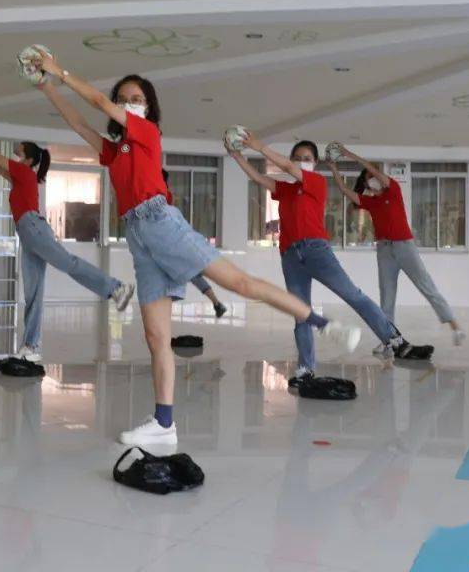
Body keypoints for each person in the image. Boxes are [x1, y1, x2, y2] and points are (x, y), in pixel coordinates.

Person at [30, 53, 358, 446]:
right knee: (156, 336)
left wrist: (61, 72)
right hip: (138, 237)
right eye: (123, 98)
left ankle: (324, 325)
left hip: (160, 222)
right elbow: (79, 123)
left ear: (147, 107)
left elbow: (98, 103)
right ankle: (164, 423)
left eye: (135, 98)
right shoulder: (116, 150)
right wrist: (47, 87)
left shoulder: (147, 132)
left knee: (240, 284)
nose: (127, 102)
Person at [225, 134, 433, 385]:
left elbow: (287, 167)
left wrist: (258, 147)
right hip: (290, 257)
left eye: (307, 158)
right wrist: (237, 155)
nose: (301, 161)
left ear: (314, 163)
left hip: (316, 250)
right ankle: (305, 369)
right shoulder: (286, 189)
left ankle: (394, 340)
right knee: (300, 313)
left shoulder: (316, 182)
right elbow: (258, 177)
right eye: (297, 157)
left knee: (352, 294)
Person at [0, 126, 135, 362]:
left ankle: (117, 288)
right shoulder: (20, 175)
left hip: (33, 228)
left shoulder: (24, 172)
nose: (15, 153)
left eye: (19, 151)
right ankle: (31, 346)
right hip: (28, 233)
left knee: (69, 263)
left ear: (28, 158)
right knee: (34, 292)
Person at [327, 144, 466, 347]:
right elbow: (343, 189)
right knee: (387, 296)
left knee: (426, 286)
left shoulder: (393, 190)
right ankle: (388, 341)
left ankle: (456, 327)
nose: (373, 179)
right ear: (366, 184)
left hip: (405, 247)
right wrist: (333, 168)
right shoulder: (370, 202)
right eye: (369, 179)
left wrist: (349, 155)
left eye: (374, 176)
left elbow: (372, 169)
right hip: (384, 250)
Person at [162, 170, 228, 318]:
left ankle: (163, 310)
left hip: (173, 243)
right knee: (194, 274)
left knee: (179, 275)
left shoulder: (161, 195)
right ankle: (217, 303)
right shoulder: (166, 194)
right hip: (179, 241)